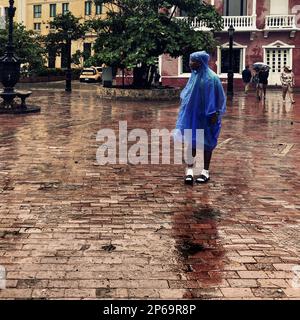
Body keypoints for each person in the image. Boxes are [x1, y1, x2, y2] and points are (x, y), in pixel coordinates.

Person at [174, 51, 226, 185]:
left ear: (201, 62)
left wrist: (216, 113)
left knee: (207, 144)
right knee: (192, 142)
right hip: (193, 116)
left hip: (208, 117)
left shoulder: (212, 78)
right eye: (190, 60)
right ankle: (190, 171)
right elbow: (187, 95)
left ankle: (205, 171)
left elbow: (220, 98)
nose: (190, 63)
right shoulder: (194, 77)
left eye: (193, 61)